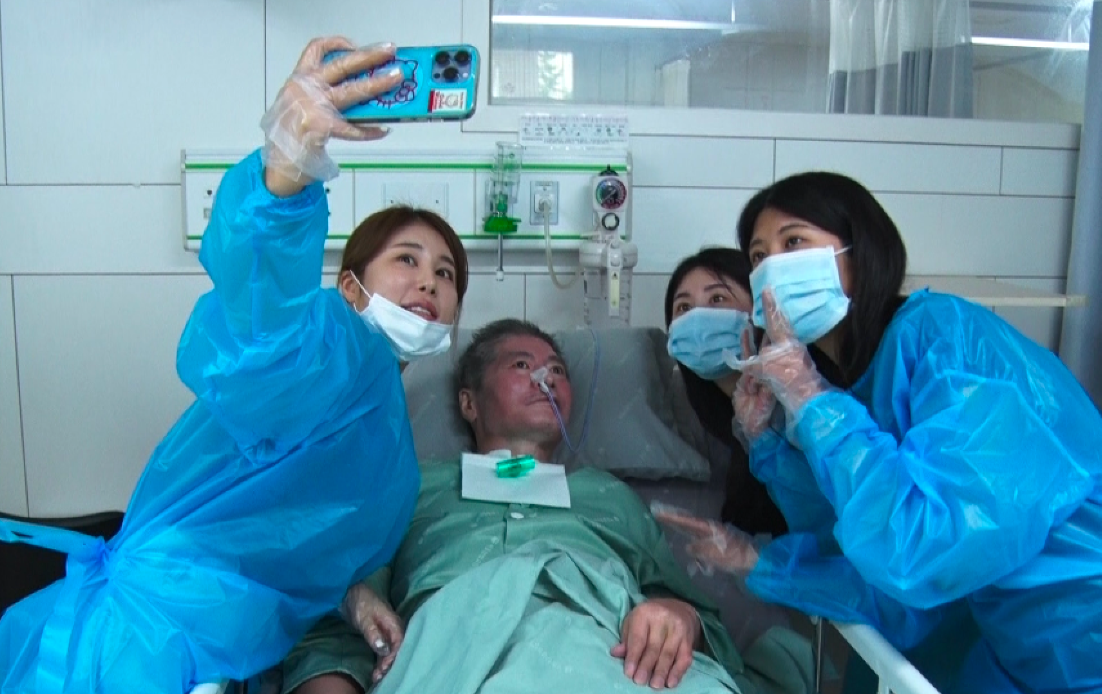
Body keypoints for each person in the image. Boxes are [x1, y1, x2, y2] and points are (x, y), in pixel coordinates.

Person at [0, 37, 468, 693]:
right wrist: (286, 169)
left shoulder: (391, 452)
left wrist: (353, 597)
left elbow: (294, 541)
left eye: (446, 274)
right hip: (149, 637)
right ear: (351, 286)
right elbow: (262, 326)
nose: (428, 281)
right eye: (407, 259)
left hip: (217, 650)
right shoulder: (330, 345)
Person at [658, 171, 1102, 694]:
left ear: (860, 250)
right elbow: (860, 549)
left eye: (793, 242)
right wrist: (759, 548)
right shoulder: (849, 385)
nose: (772, 267)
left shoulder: (945, 339)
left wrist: (812, 401)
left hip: (1083, 625)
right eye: (758, 256)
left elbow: (921, 551)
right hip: (1012, 647)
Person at [281, 319, 814, 694]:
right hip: (454, 647)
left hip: (613, 653)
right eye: (523, 365)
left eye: (558, 370)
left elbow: (683, 604)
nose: (548, 378)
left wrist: (679, 616)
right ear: (468, 402)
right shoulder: (413, 487)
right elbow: (345, 611)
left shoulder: (609, 495)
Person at [664, 248, 787, 537]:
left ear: (759, 309)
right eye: (683, 308)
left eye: (717, 299)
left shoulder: (792, 406)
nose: (698, 318)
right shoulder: (725, 422)